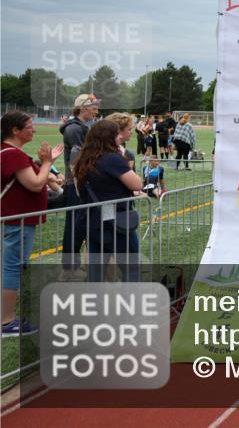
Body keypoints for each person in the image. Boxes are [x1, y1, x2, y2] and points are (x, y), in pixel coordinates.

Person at [2, 111, 64, 336]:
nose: (34, 129)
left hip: (18, 219)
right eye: (29, 126)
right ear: (15, 131)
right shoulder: (13, 155)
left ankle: (7, 318)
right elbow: (37, 184)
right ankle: (7, 322)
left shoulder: (10, 153)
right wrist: (47, 162)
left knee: (13, 265)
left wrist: (49, 163)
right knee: (13, 267)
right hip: (18, 220)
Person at [74, 120, 143, 283]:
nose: (119, 136)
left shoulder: (83, 159)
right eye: (116, 133)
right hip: (114, 221)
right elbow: (137, 184)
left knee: (96, 273)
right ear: (109, 137)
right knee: (131, 268)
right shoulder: (111, 158)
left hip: (92, 220)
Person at [59, 93, 99, 278]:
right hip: (75, 183)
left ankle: (73, 265)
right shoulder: (74, 129)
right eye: (93, 106)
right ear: (82, 108)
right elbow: (82, 158)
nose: (96, 110)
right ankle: (69, 267)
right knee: (75, 224)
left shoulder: (80, 127)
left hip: (80, 182)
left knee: (79, 224)